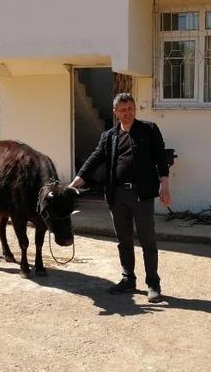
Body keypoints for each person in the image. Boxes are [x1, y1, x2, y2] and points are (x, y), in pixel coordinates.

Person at [69, 93, 171, 303]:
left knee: (147, 240)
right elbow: (94, 159)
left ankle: (153, 283)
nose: (127, 113)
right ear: (116, 113)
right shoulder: (109, 136)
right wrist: (74, 183)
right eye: (123, 110)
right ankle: (128, 279)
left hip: (141, 195)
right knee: (123, 240)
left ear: (135, 109)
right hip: (117, 195)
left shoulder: (149, 130)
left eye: (130, 109)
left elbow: (161, 158)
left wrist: (165, 187)